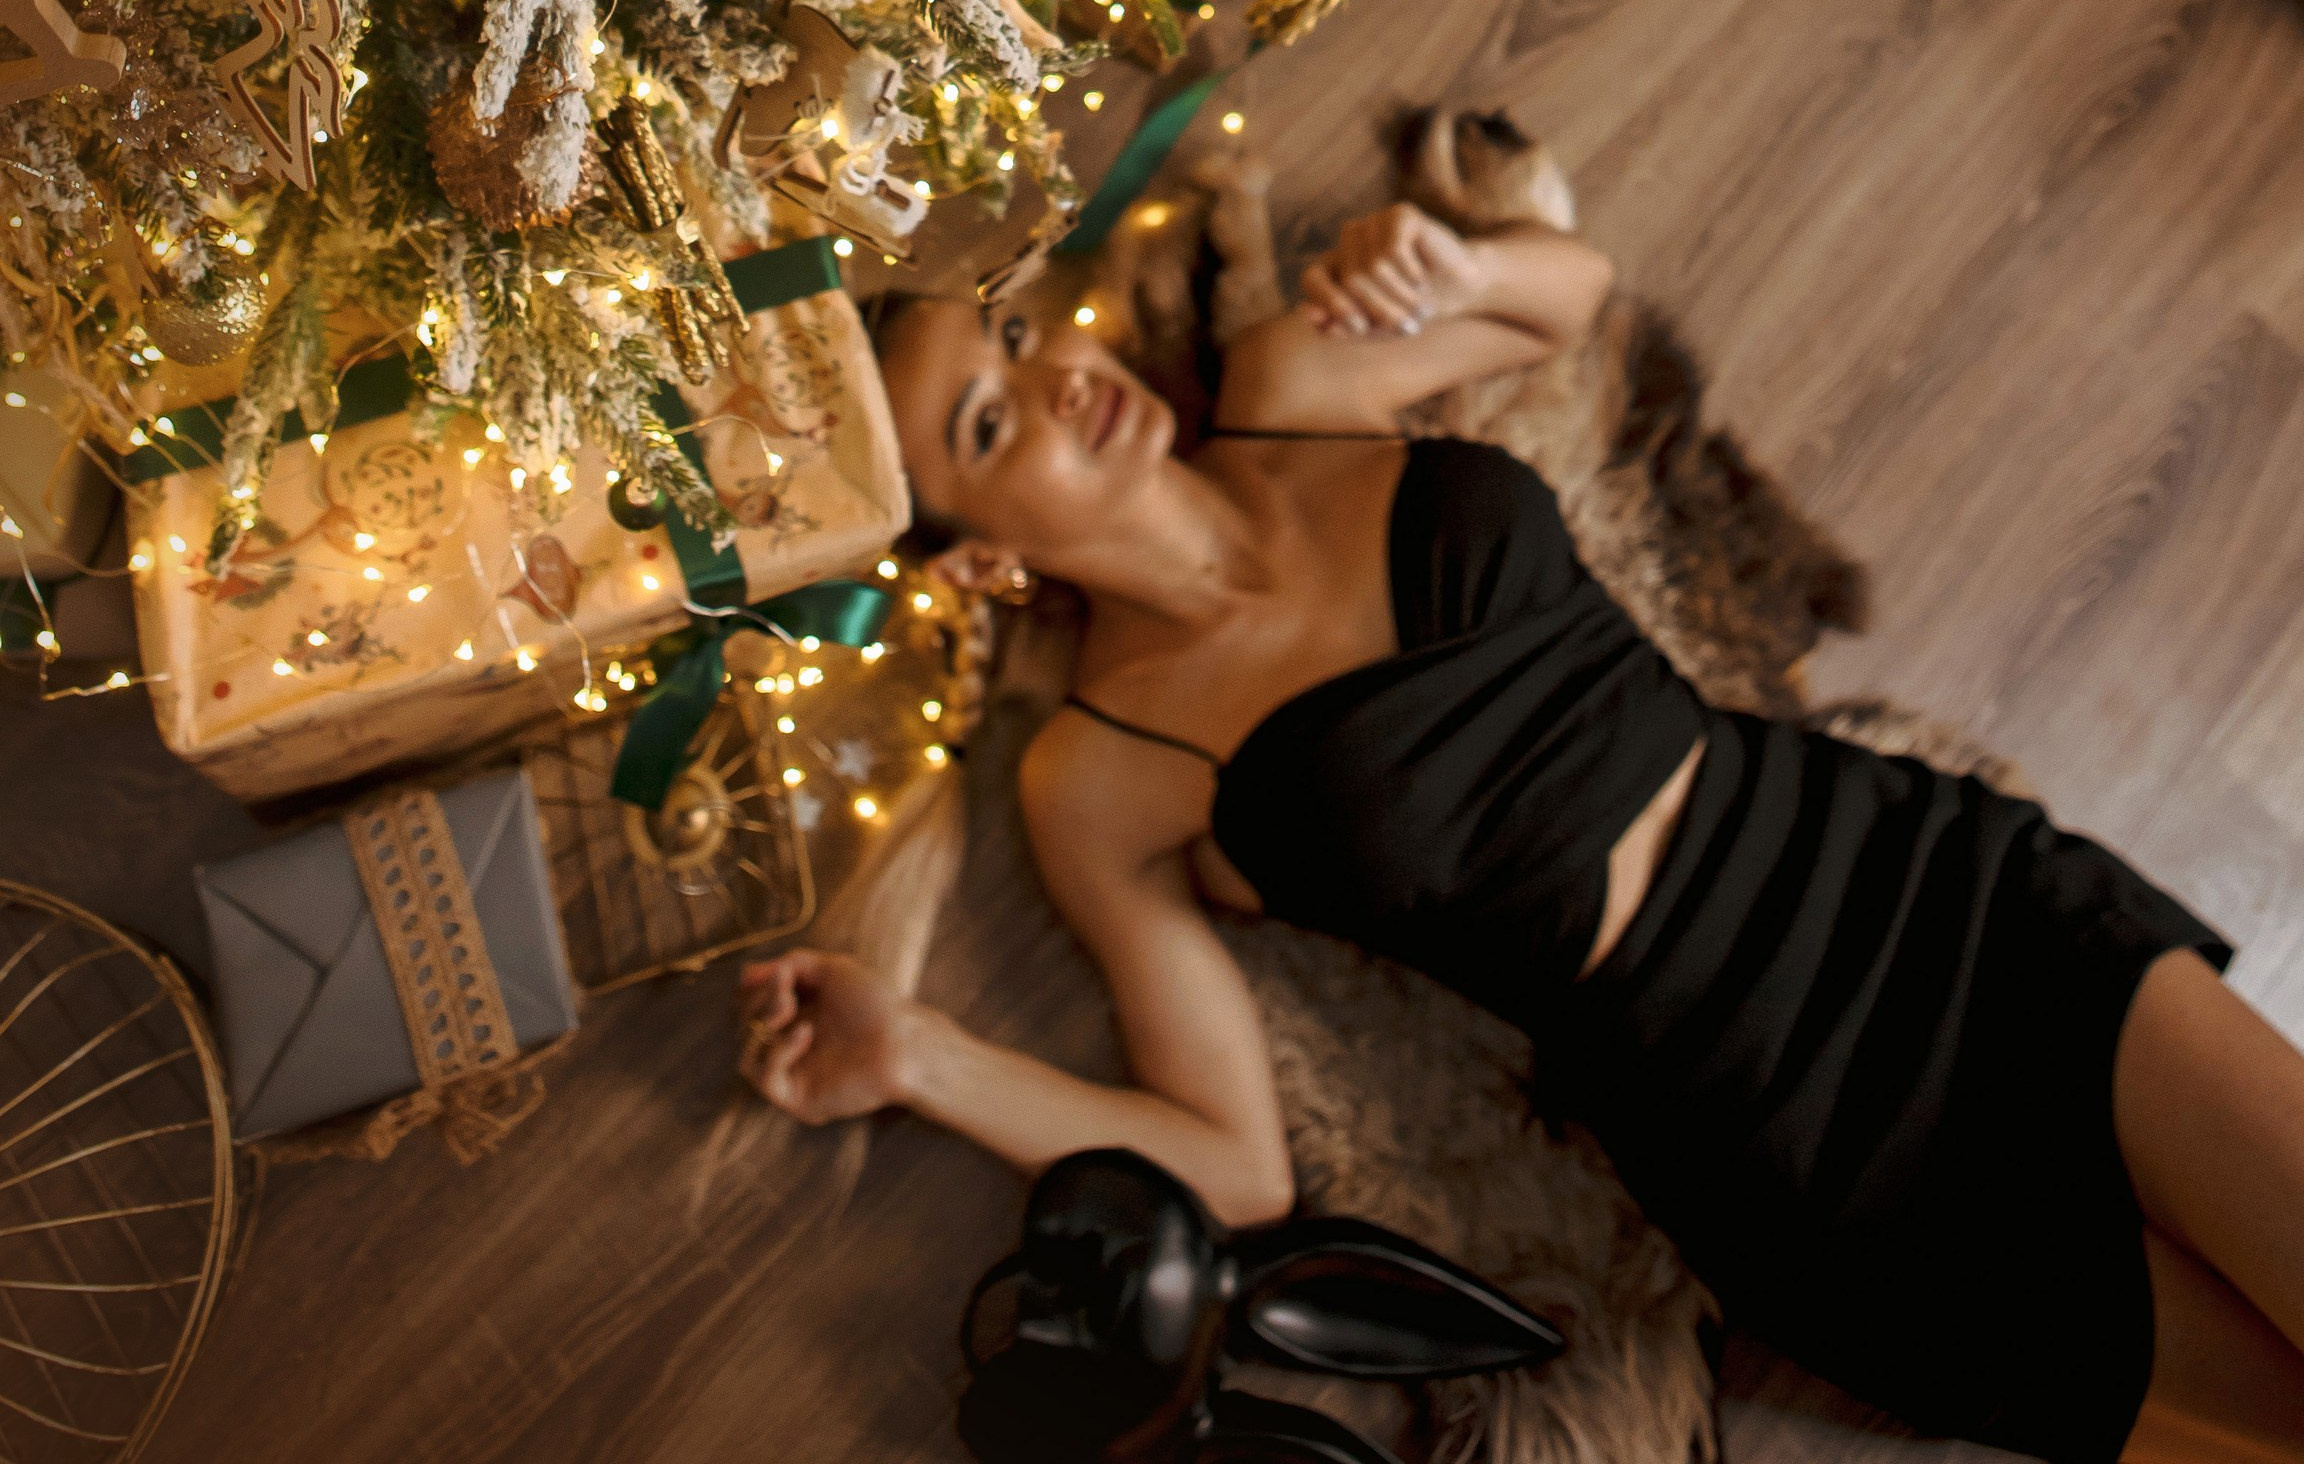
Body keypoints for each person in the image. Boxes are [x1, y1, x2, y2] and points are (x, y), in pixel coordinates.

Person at [741, 196, 2304, 1464]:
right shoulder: (1099, 772)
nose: (1066, 376)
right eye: (996, 420)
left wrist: (1471, 258)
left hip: (1929, 886)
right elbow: (1232, 1169)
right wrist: (915, 1059)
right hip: (1790, 1132)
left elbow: (1571, 296)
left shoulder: (1290, 398)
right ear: (974, 566)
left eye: (1017, 331)